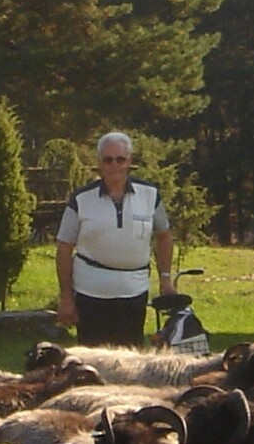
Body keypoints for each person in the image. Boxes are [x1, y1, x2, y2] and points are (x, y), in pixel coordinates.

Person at [54, 132, 175, 347]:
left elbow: (164, 236)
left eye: (120, 159)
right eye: (108, 160)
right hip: (90, 295)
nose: (114, 165)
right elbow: (64, 247)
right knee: (92, 361)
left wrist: (165, 278)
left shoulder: (149, 195)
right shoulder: (81, 199)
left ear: (129, 162)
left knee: (128, 362)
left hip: (134, 294)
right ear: (99, 163)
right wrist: (65, 297)